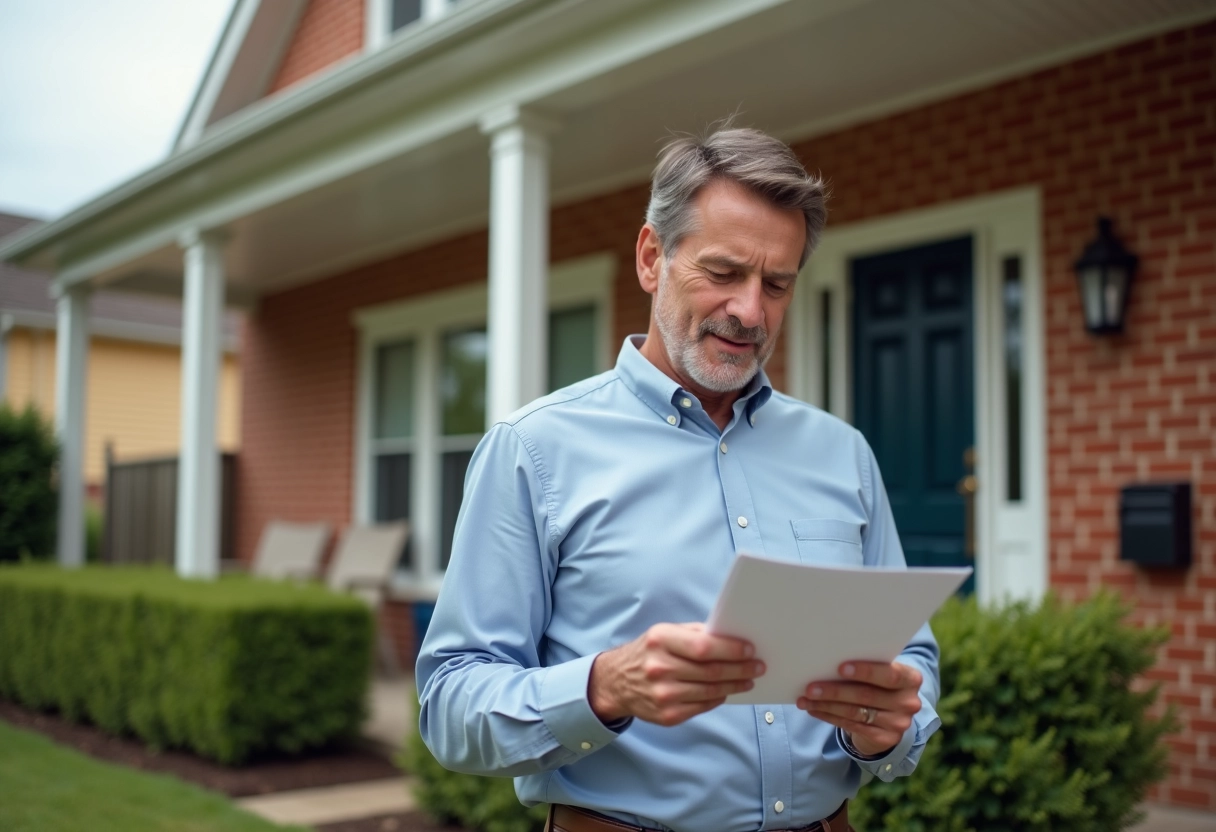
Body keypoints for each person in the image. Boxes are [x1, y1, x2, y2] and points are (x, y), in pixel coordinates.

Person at [416, 125, 940, 832]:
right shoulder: (533, 451)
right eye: (723, 273)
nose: (750, 311)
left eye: (776, 284)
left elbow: (909, 653)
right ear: (651, 256)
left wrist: (889, 728)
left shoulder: (842, 453)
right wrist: (603, 687)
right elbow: (450, 704)